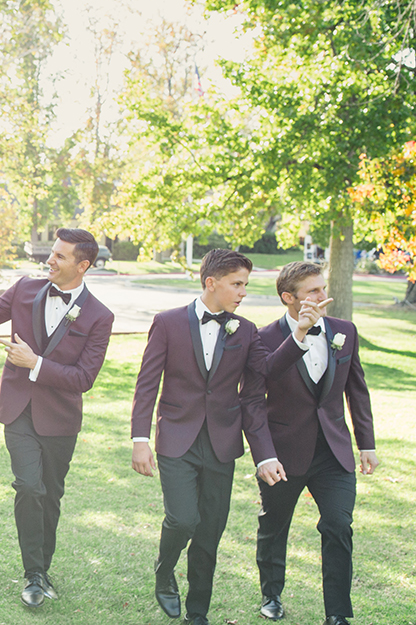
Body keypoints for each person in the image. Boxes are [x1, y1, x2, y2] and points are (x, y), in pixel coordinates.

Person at [130, 249, 325, 625]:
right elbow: (147, 384)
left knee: (210, 533)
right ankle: (164, 568)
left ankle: (197, 614)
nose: (243, 292)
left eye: (246, 285)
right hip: (176, 439)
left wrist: (299, 332)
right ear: (211, 283)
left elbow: (259, 385)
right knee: (184, 519)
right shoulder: (167, 322)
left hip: (222, 445)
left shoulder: (246, 330)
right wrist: (140, 438)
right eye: (237, 284)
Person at [0, 227, 114, 608]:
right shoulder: (24, 289)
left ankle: (42, 567)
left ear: (83, 265)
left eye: (59, 256)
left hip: (60, 420)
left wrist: (35, 363)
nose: (49, 260)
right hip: (17, 410)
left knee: (50, 496)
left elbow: (84, 379)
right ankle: (33, 574)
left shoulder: (100, 316)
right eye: (50, 253)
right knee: (29, 486)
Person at [246, 262, 377, 625]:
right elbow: (258, 391)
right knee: (274, 527)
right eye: (313, 291)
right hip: (284, 453)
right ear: (289, 298)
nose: (323, 296)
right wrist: (299, 335)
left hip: (334, 452)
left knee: (338, 525)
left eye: (323, 287)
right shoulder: (262, 337)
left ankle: (337, 612)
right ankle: (271, 595)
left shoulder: (345, 331)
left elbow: (358, 392)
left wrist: (367, 443)